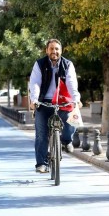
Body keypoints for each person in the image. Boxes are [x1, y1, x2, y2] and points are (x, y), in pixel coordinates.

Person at [29, 39, 81, 173]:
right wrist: (34, 100)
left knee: (72, 120)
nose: (54, 51)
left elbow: (71, 83)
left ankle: (66, 140)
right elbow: (35, 83)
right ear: (47, 50)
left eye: (57, 49)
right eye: (51, 49)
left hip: (62, 101)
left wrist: (76, 100)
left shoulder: (67, 64)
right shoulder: (39, 64)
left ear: (61, 50)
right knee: (41, 134)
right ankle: (42, 164)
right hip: (44, 102)